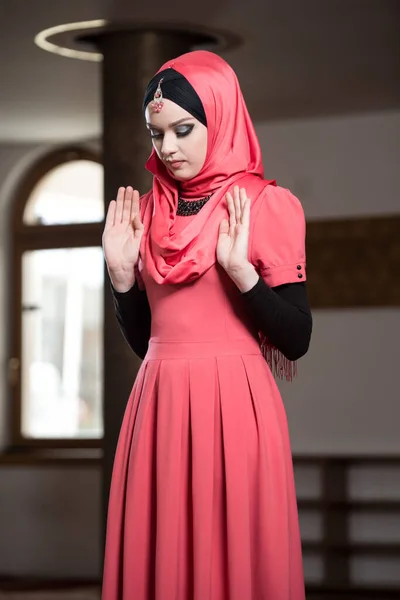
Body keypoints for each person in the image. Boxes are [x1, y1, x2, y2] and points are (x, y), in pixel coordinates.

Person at [101, 50, 312, 600]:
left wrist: (242, 273)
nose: (167, 148)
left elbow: (297, 337)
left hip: (234, 407)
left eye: (183, 130)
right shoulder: (147, 213)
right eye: (155, 134)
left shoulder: (265, 206)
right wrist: (123, 279)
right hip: (159, 403)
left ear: (220, 120)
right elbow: (147, 338)